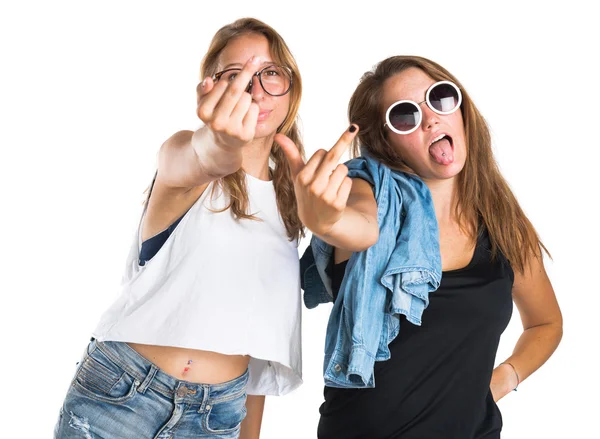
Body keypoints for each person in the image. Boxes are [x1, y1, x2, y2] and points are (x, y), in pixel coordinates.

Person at [277, 55, 563, 438]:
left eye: (440, 98)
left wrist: (501, 380)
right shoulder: (370, 193)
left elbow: (547, 323)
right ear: (387, 144)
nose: (430, 118)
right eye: (405, 115)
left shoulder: (505, 225)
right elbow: (358, 226)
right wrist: (324, 220)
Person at [54, 17, 304, 439]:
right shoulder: (183, 158)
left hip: (218, 413)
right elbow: (203, 156)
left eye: (270, 73)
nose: (255, 89)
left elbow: (257, 349)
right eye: (236, 75)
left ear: (291, 88)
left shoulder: (295, 204)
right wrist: (223, 143)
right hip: (122, 393)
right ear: (211, 87)